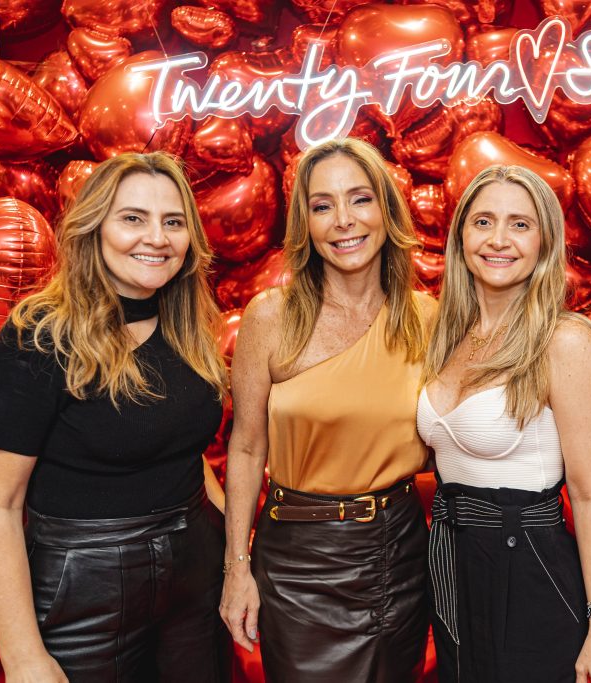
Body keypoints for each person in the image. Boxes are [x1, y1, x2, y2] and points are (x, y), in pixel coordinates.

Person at [0, 152, 230, 683]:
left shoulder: (189, 326)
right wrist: (22, 658)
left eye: (172, 221)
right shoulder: (37, 338)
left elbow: (185, 446)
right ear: (95, 228)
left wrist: (229, 541)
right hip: (84, 589)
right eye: (133, 218)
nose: (156, 237)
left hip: (196, 573)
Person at [219, 137, 436, 682]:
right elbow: (244, 448)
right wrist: (236, 569)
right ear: (306, 225)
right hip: (299, 563)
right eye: (322, 206)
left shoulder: (425, 316)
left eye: (359, 199)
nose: (343, 220)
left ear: (386, 210)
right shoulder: (271, 316)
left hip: (400, 552)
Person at [418, 165, 591, 683]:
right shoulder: (447, 337)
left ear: (544, 242)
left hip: (529, 562)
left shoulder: (565, 341)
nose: (499, 240)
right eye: (483, 222)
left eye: (520, 224)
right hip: (454, 558)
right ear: (461, 235)